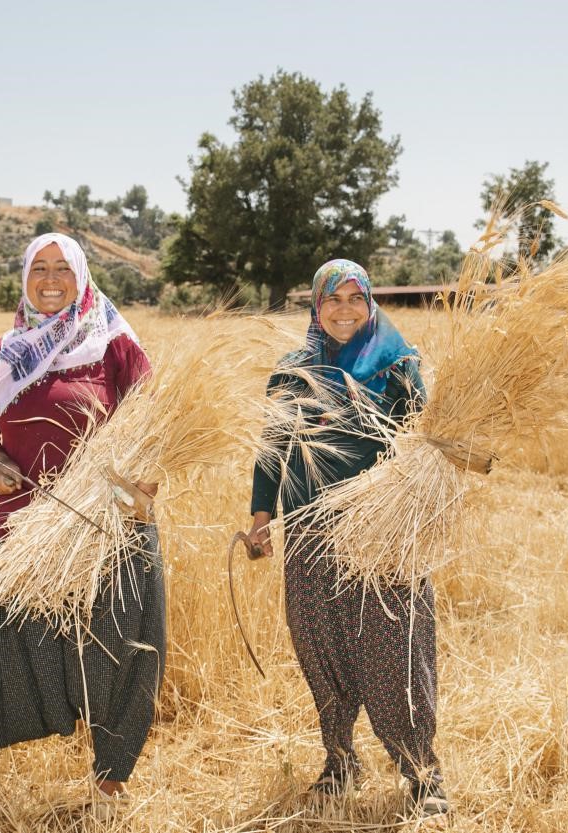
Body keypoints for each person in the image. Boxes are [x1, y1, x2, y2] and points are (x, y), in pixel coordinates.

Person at [0, 233, 164, 814]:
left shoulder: (114, 345)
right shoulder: (2, 353)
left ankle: (110, 783)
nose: (51, 279)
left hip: (108, 522)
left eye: (63, 268)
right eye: (40, 268)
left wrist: (139, 485)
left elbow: (157, 422)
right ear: (25, 277)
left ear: (81, 277)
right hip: (26, 525)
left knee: (125, 648)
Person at [247, 259, 450, 822]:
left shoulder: (399, 366)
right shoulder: (292, 372)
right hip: (310, 532)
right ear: (316, 306)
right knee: (323, 650)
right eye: (331, 299)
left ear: (370, 304)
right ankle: (340, 762)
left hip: (382, 531)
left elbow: (426, 443)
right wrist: (262, 517)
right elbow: (271, 451)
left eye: (353, 298)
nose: (343, 310)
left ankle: (421, 774)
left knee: (397, 651)